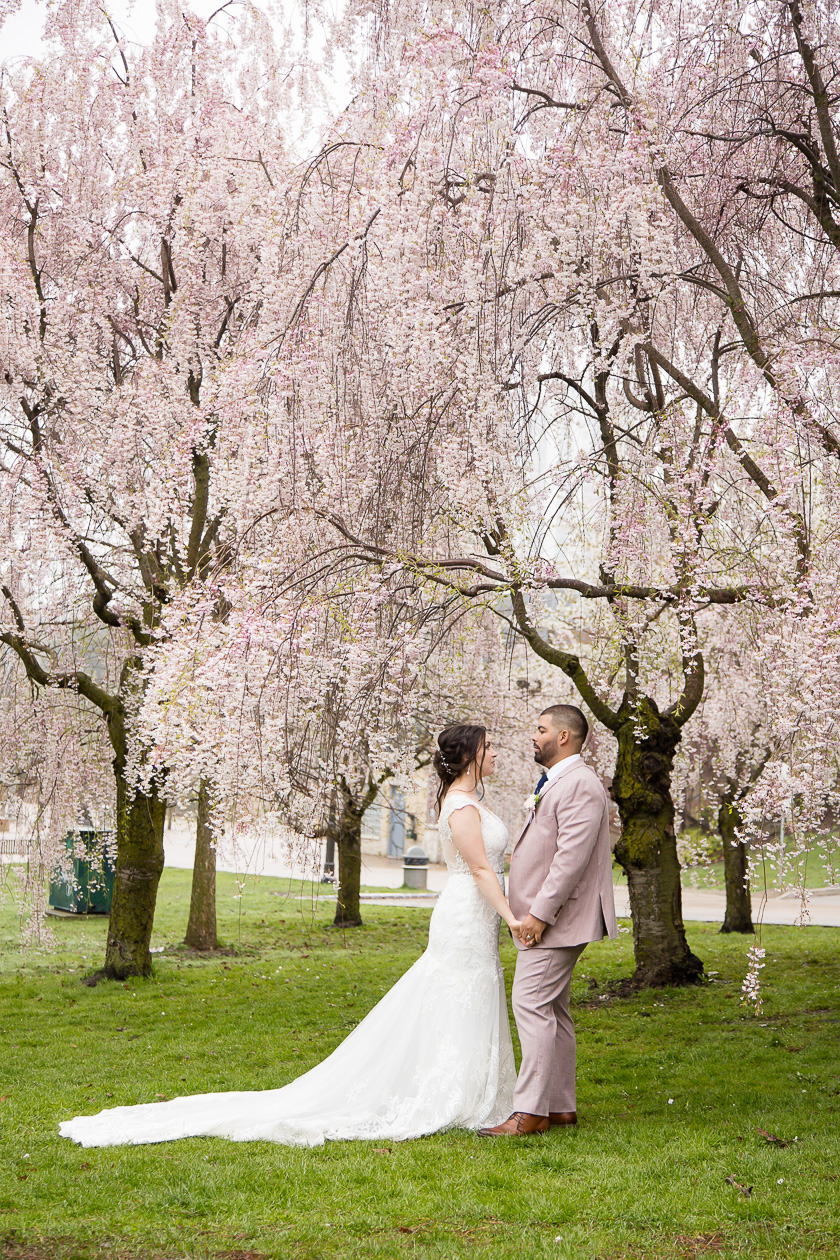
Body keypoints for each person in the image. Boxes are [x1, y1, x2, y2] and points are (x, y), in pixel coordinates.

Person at [59, 723, 521, 1148]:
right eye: (488, 747)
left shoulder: (474, 803)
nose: (495, 753)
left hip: (479, 914)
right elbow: (480, 867)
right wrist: (513, 917)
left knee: (472, 991)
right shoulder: (460, 806)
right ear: (469, 757)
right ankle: (446, 1093)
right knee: (458, 990)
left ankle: (468, 1088)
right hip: (466, 912)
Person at [479, 704, 617, 1138]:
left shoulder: (580, 784)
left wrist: (539, 914)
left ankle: (531, 1110)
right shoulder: (560, 780)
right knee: (553, 1009)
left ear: (563, 737)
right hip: (556, 917)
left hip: (559, 918)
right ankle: (559, 1106)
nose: (533, 736)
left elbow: (569, 860)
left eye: (540, 729)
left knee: (531, 1003)